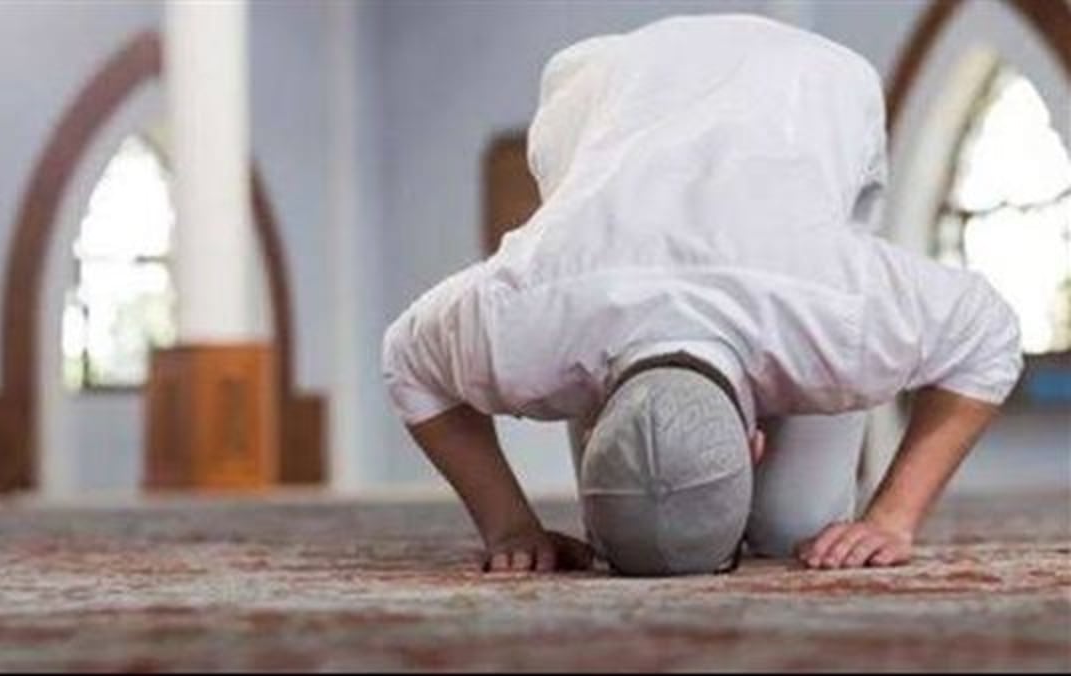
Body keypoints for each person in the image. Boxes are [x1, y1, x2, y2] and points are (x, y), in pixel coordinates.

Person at [381, 15, 1022, 576]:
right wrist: (509, 527)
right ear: (592, 416)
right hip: (606, 85)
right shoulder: (526, 324)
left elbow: (988, 336)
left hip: (808, 83)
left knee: (794, 525)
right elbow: (408, 359)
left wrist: (893, 519)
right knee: (641, 508)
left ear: (757, 445)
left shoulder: (839, 313)